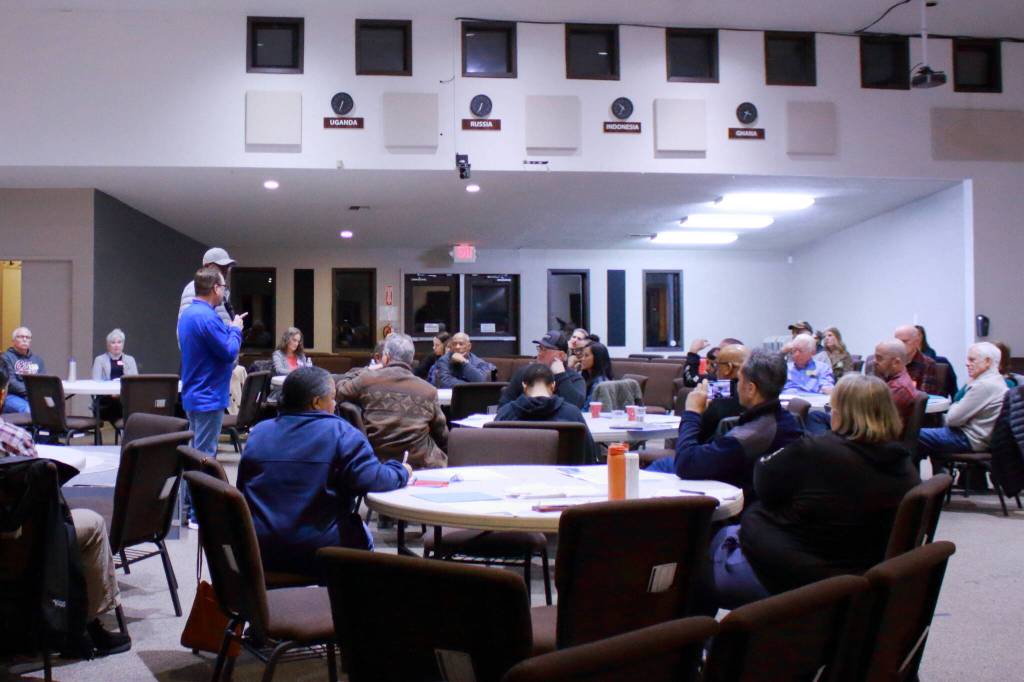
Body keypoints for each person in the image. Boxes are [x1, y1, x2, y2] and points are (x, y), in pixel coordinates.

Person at [709, 374, 919, 608]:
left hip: (795, 578)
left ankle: (700, 641)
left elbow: (763, 481)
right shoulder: (904, 466)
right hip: (856, 577)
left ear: (839, 413)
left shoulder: (818, 451)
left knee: (702, 559)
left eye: (832, 407)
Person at [0, 364, 130, 657]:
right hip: (17, 548)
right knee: (91, 525)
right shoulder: (14, 439)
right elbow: (36, 496)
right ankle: (84, 626)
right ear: (2, 394)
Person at [238, 366, 411, 576]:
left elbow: (243, 490)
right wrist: (400, 469)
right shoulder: (342, 433)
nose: (335, 404)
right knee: (363, 534)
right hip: (322, 551)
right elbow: (375, 481)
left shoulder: (259, 433)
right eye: (332, 397)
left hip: (259, 550)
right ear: (316, 402)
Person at [647, 350, 803, 501]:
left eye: (740, 380)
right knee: (663, 464)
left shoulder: (752, 435)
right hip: (741, 481)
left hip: (733, 502)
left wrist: (692, 412)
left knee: (657, 471)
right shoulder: (784, 419)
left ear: (751, 389)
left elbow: (685, 464)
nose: (736, 386)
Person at [177, 267, 245, 526]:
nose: (225, 291)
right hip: (208, 397)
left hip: (195, 393)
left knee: (194, 454)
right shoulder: (207, 318)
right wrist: (236, 328)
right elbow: (229, 352)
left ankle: (187, 509)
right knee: (205, 456)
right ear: (216, 288)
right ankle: (198, 514)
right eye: (223, 287)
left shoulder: (188, 315)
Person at [335, 333, 448, 469]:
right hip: (420, 464)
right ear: (411, 360)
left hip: (377, 462)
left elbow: (339, 391)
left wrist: (367, 370)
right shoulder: (428, 390)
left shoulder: (367, 380)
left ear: (386, 356)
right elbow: (441, 434)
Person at [918, 342, 1008, 462]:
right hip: (978, 437)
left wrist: (955, 404)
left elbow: (952, 419)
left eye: (972, 360)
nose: (967, 364)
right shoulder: (996, 381)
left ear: (987, 362)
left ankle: (910, 478)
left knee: (912, 435)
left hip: (969, 439)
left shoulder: (983, 386)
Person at [495, 363, 596, 460]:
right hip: (561, 476)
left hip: (515, 476)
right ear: (553, 386)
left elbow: (494, 453)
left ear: (524, 386)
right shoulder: (573, 414)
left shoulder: (506, 413)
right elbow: (589, 456)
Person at [499, 331, 586, 408]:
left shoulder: (574, 378)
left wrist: (561, 376)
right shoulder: (524, 373)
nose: (539, 354)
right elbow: (504, 405)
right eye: (539, 348)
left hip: (559, 424)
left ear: (561, 355)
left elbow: (576, 406)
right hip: (527, 424)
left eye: (544, 350)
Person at [697, 344, 750, 443]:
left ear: (728, 368)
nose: (715, 370)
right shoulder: (758, 391)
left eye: (717, 365)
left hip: (709, 452)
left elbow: (697, 432)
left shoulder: (717, 389)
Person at [90, 328, 139, 426]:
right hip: (105, 401)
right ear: (108, 345)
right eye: (113, 342)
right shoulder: (100, 360)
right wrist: (110, 393)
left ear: (123, 344)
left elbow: (136, 384)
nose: (116, 345)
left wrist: (120, 395)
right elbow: (95, 384)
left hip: (124, 400)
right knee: (117, 406)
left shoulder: (130, 360)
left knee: (132, 407)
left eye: (119, 342)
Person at [177, 247, 236, 327]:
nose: (225, 270)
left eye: (227, 266)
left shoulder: (223, 288)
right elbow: (186, 325)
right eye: (220, 266)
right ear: (207, 266)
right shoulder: (194, 287)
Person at [872, 338, 919, 429]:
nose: (874, 361)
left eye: (879, 358)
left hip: (884, 438)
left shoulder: (898, 388)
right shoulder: (891, 380)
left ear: (896, 362)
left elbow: (874, 416)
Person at [1, 326, 45, 414]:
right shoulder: (5, 357)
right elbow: (10, 382)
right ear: (13, 341)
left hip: (34, 397)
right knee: (28, 410)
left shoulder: (38, 360)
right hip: (12, 396)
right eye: (20, 337)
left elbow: (43, 381)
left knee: (53, 411)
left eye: (27, 337)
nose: (24, 339)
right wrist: (31, 393)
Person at [894, 325, 941, 395]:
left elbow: (924, 397)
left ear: (917, 342)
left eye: (904, 341)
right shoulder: (891, 361)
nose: (900, 345)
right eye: (897, 342)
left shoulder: (927, 363)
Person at [580, 341, 613, 408]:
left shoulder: (599, 383)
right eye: (582, 355)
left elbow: (586, 409)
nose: (582, 359)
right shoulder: (582, 376)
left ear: (597, 358)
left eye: (586, 356)